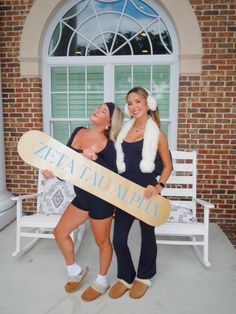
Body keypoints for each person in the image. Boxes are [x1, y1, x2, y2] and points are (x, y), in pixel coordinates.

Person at [42, 102, 123, 302]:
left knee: (102, 242)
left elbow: (113, 177)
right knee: (60, 232)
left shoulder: (109, 144)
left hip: (101, 201)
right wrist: (54, 172)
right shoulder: (79, 132)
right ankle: (75, 270)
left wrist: (95, 158)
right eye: (99, 107)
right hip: (82, 197)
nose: (97, 110)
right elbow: (66, 163)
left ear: (109, 122)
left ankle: (102, 281)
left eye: (104, 111)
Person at [109, 87, 172, 299]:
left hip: (147, 191)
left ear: (148, 104)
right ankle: (126, 276)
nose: (133, 106)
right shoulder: (123, 130)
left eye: (137, 101)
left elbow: (167, 167)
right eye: (129, 103)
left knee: (147, 236)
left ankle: (144, 277)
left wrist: (158, 187)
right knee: (118, 239)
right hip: (125, 192)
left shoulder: (158, 134)